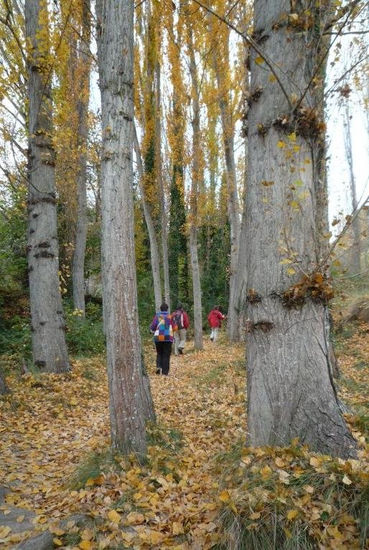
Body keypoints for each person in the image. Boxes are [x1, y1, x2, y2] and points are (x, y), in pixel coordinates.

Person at [150, 303, 174, 375]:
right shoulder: (170, 317)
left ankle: (158, 366)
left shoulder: (157, 316)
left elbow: (153, 327)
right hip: (168, 337)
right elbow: (175, 327)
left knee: (159, 353)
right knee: (166, 354)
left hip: (158, 337)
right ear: (167, 309)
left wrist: (152, 330)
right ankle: (165, 372)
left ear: (160, 309)